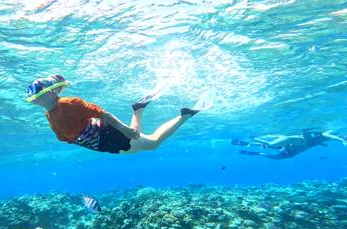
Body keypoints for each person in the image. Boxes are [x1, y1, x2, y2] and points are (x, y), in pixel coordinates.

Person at [26, 75, 208, 154]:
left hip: (105, 135)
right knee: (138, 138)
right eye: (34, 98)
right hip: (100, 143)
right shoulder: (49, 115)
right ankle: (139, 108)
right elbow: (64, 137)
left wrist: (124, 130)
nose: (34, 100)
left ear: (52, 92)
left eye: (37, 96)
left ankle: (185, 115)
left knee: (152, 143)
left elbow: (101, 113)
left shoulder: (68, 103)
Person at [232, 129, 347, 159]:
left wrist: (340, 139)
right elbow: (332, 136)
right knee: (272, 146)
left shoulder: (322, 138)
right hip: (291, 144)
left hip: (290, 147)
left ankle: (249, 144)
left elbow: (330, 137)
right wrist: (342, 140)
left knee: (273, 151)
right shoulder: (324, 135)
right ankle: (254, 138)